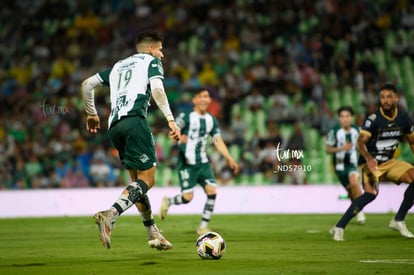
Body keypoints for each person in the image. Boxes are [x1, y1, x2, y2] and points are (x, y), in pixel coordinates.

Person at [81, 31, 180, 250]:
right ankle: (110, 215)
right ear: (152, 49)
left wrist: (91, 113)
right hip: (135, 121)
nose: (162, 55)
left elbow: (87, 84)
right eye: (160, 50)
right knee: (148, 179)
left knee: (137, 183)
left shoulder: (117, 66)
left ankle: (152, 232)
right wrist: (171, 120)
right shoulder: (151, 61)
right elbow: (157, 89)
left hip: (114, 126)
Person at [330, 83, 414, 241]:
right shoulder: (374, 119)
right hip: (371, 162)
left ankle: (398, 220)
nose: (385, 100)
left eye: (389, 97)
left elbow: (412, 141)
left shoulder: (403, 118)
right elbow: (360, 143)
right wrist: (369, 159)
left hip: (390, 162)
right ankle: (339, 227)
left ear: (396, 98)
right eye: (382, 97)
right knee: (370, 194)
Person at [159, 88, 239, 235]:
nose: (204, 99)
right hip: (187, 163)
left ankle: (203, 227)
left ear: (209, 101)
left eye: (206, 96)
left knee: (212, 191)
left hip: (202, 162)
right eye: (201, 96)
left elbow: (217, 140)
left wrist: (230, 158)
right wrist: (176, 137)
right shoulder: (186, 116)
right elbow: (173, 132)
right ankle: (168, 201)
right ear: (195, 100)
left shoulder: (211, 120)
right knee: (187, 198)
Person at [325, 106, 366, 224]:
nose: (345, 119)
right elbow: (328, 149)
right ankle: (357, 209)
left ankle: (360, 211)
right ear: (339, 118)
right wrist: (342, 148)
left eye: (347, 116)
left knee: (354, 183)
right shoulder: (334, 131)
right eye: (342, 116)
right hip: (339, 167)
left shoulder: (357, 130)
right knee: (350, 191)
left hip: (353, 164)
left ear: (352, 117)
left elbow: (360, 146)